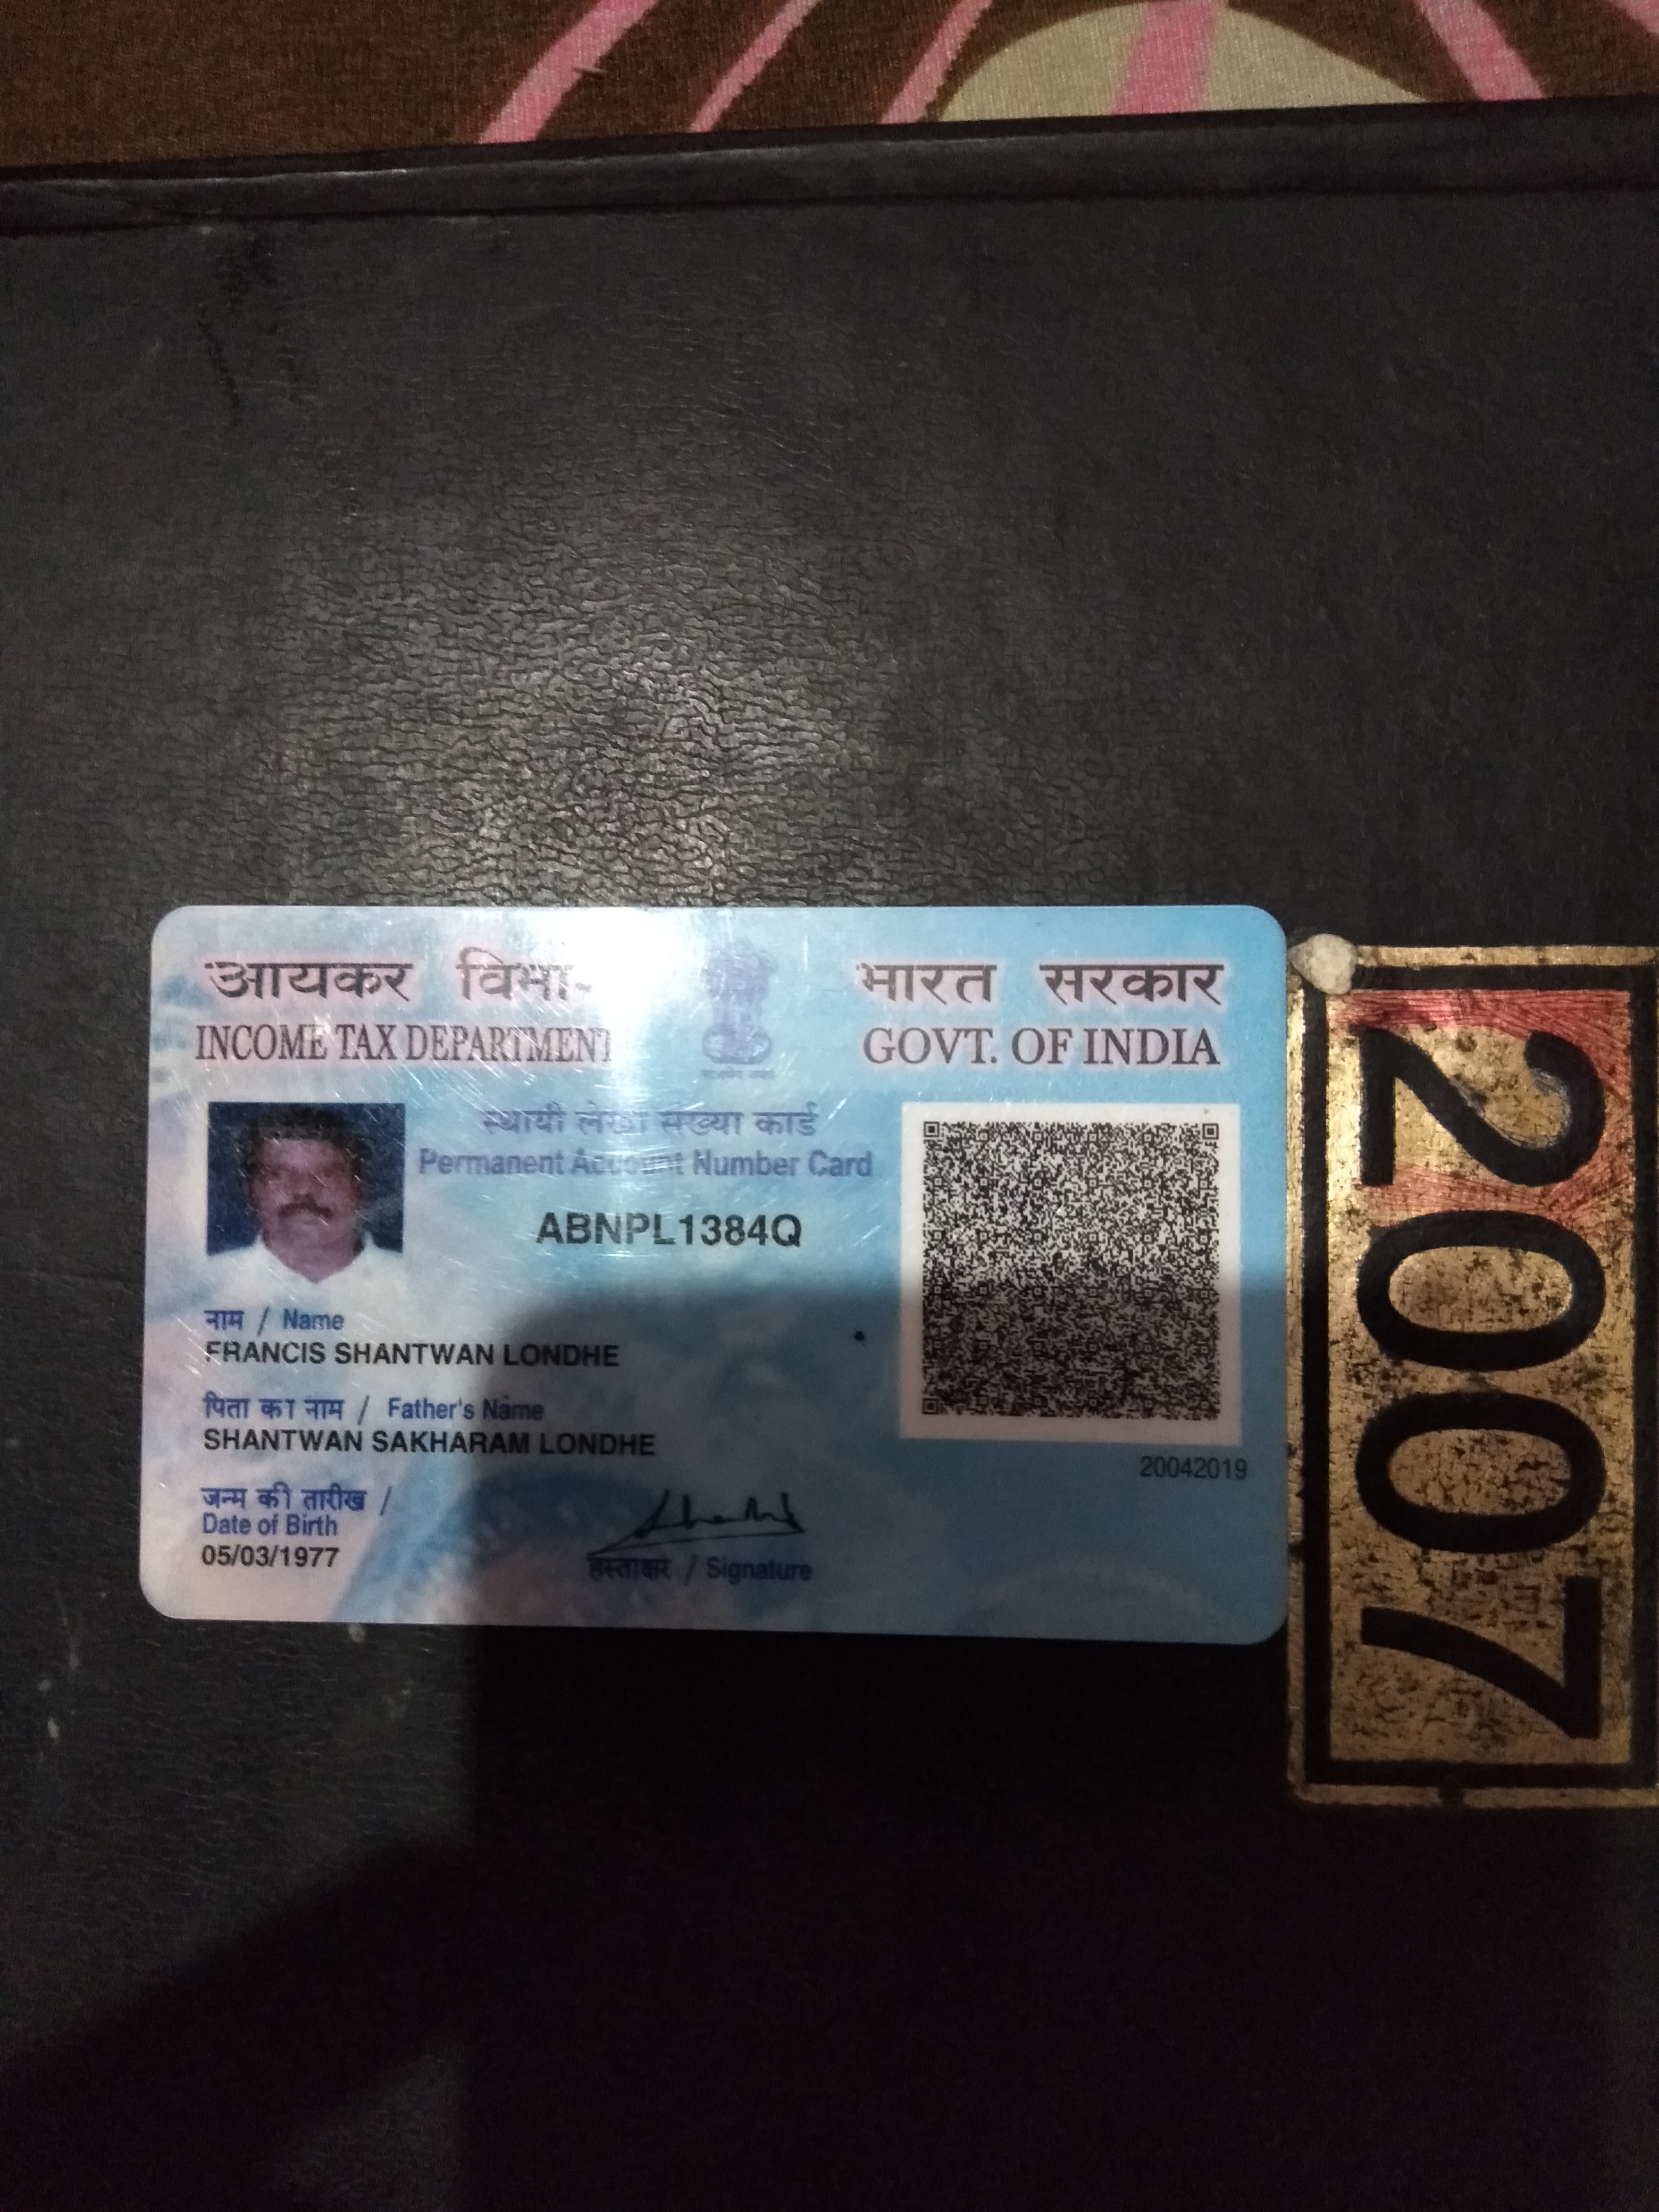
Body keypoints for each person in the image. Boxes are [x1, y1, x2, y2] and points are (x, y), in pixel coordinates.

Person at [210, 1106, 406, 1301]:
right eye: (279, 1175)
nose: (304, 1190)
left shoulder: (412, 1280)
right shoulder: (208, 1282)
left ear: (359, 1188)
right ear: (251, 1190)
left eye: (327, 1174)